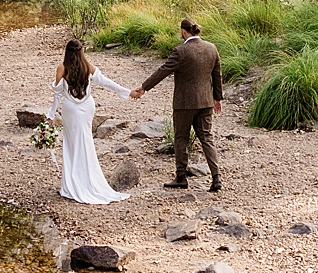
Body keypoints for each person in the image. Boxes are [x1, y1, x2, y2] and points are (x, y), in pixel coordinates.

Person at [131, 18, 224, 192]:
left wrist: (144, 87)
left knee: (181, 138)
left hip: (184, 104)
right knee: (207, 138)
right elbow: (217, 74)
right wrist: (217, 98)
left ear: (183, 31)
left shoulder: (180, 52)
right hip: (205, 102)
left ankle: (181, 177)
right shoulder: (212, 48)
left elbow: (163, 71)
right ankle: (216, 177)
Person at [51, 37, 134, 205]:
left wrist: (50, 114)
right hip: (87, 107)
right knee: (86, 142)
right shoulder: (88, 67)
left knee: (71, 144)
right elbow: (107, 83)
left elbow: (57, 95)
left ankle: (72, 184)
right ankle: (87, 179)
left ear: (67, 53)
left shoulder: (62, 68)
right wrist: (128, 92)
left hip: (71, 110)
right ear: (82, 52)